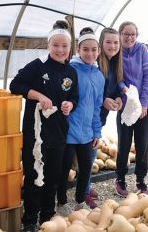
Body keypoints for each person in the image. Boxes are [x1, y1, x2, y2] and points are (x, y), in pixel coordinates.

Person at [10, 20, 79, 232]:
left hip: (58, 133)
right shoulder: (38, 65)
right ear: (48, 45)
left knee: (54, 177)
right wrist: (39, 95)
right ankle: (30, 219)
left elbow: (74, 97)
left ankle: (48, 217)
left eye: (64, 46)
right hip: (35, 134)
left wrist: (69, 105)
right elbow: (16, 86)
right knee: (32, 177)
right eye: (55, 45)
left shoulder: (71, 72)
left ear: (70, 48)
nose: (60, 50)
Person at [56, 27, 104, 215]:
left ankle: (79, 202)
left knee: (85, 168)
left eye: (94, 49)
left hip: (87, 134)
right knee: (64, 169)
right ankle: (61, 202)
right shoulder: (70, 71)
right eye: (86, 49)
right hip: (68, 131)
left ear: (98, 52)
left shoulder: (99, 76)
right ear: (78, 50)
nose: (90, 53)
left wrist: (97, 132)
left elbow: (97, 107)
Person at [83, 27, 124, 208]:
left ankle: (85, 186)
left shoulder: (115, 63)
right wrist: (104, 100)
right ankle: (83, 192)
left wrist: (118, 99)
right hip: (89, 116)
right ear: (101, 44)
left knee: (91, 152)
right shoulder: (95, 63)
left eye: (116, 42)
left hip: (101, 116)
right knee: (89, 154)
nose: (112, 45)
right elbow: (89, 93)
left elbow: (114, 89)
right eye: (108, 42)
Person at [115, 21, 148, 196]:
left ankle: (141, 180)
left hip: (144, 107)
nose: (129, 37)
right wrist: (123, 89)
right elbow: (116, 77)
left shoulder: (142, 50)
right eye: (125, 34)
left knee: (142, 144)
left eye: (132, 34)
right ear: (120, 35)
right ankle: (120, 179)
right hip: (125, 106)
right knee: (124, 144)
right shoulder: (117, 52)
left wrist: (144, 102)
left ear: (136, 36)